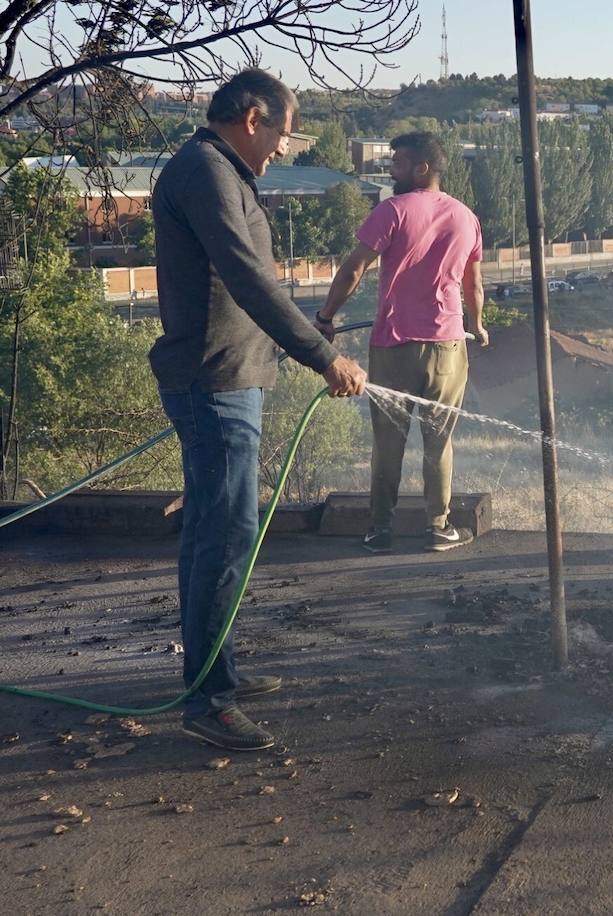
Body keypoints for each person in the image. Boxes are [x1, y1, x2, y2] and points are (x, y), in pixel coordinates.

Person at [149, 69, 368, 752]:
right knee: (223, 535)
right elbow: (246, 277)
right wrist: (319, 354)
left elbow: (249, 281)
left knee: (213, 535)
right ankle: (209, 701)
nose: (281, 148)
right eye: (280, 132)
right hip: (214, 384)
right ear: (252, 118)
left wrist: (305, 337)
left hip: (226, 379)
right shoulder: (206, 170)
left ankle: (215, 674)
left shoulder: (217, 171)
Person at [314, 131, 488, 554]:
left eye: (397, 163)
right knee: (439, 441)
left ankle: (379, 530)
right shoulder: (466, 217)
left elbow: (354, 268)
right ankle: (438, 528)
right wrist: (478, 326)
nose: (391, 170)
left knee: (388, 444)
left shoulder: (391, 211)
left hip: (392, 347)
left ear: (421, 168)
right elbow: (474, 283)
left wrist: (325, 317)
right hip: (447, 348)